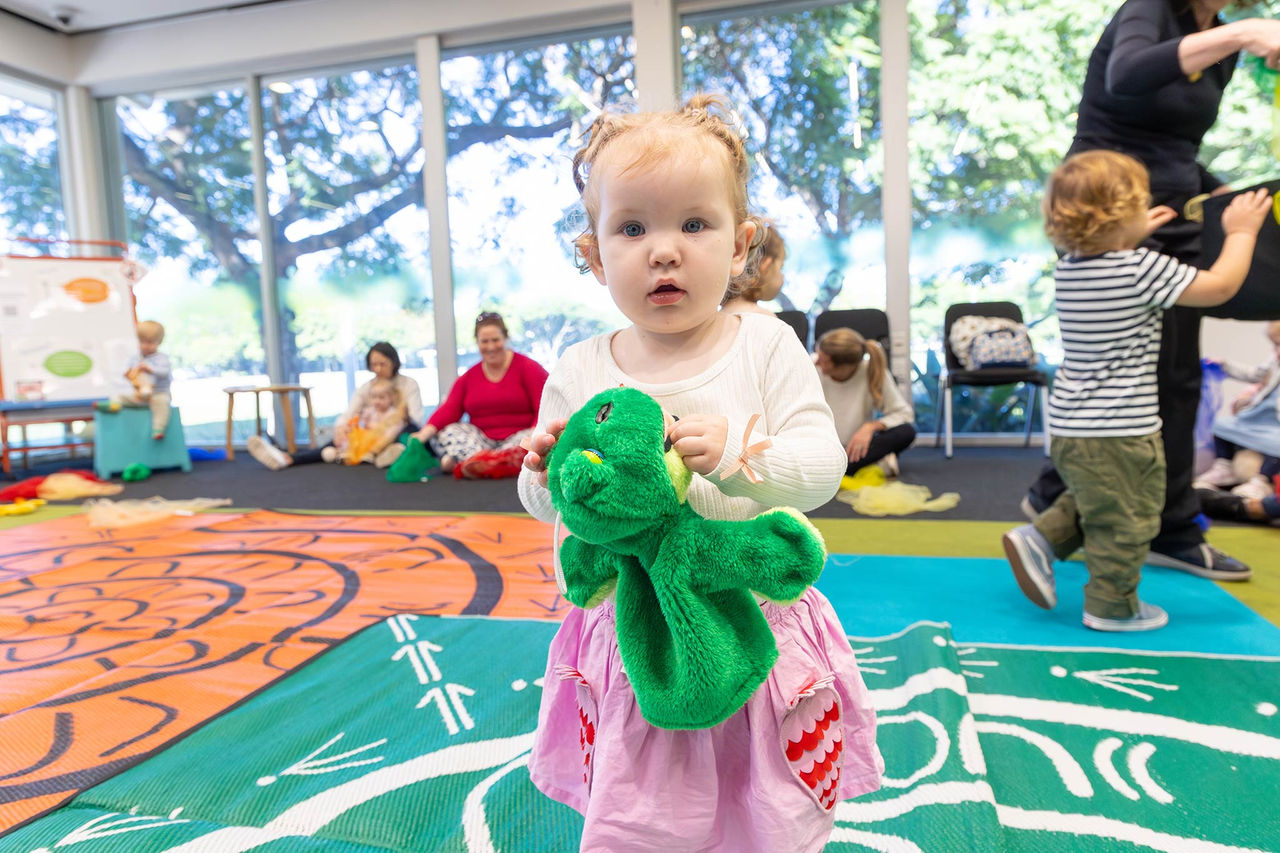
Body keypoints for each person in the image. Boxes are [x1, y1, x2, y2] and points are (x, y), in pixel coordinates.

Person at [517, 95, 882, 851]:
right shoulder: (583, 368)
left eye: (694, 223)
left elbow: (820, 471)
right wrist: (541, 469)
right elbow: (549, 506)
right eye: (632, 228)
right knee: (641, 817)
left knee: (769, 813)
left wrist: (743, 455)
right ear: (593, 255)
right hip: (633, 637)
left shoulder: (767, 344)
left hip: (753, 623)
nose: (663, 250)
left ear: (741, 243)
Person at [1024, 0, 1280, 580]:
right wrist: (1243, 33)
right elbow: (1130, 74)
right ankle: (1125, 534)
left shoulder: (1218, 39)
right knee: (1136, 378)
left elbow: (1176, 147)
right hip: (1112, 219)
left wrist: (1229, 197)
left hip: (1168, 212)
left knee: (1174, 382)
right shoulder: (1150, 9)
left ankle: (1075, 511)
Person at [1004, 151, 1271, 632]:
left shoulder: (1071, 269)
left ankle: (1040, 539)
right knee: (1129, 517)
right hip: (1122, 431)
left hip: (1070, 428)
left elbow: (1109, 258)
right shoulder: (1141, 269)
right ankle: (1111, 605)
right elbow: (1219, 287)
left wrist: (1130, 231)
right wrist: (1243, 231)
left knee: (1097, 498)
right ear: (1122, 218)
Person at [410, 312, 547, 476]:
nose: (490, 347)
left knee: (535, 438)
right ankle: (491, 463)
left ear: (506, 338)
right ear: (477, 342)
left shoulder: (529, 368)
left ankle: (468, 463)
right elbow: (449, 410)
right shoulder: (469, 377)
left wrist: (533, 435)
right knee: (443, 433)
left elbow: (544, 407)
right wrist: (421, 435)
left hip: (518, 439)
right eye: (484, 341)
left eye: (495, 340)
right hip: (480, 443)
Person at [246, 341, 420, 470]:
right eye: (374, 364)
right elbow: (349, 414)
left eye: (383, 364)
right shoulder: (367, 388)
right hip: (371, 433)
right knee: (337, 441)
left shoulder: (408, 384)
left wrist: (396, 420)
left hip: (396, 429)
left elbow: (417, 418)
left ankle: (390, 453)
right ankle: (287, 459)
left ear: (394, 362)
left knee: (409, 433)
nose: (378, 369)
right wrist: (341, 429)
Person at [1195, 320, 1280, 500]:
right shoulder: (1275, 362)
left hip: (1276, 425)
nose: (1276, 351)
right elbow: (1254, 374)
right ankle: (1224, 466)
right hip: (1259, 416)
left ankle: (1262, 480)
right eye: (1274, 345)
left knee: (1276, 444)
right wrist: (1225, 364)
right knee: (1222, 425)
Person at [815, 327, 916, 477]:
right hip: (819, 447)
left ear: (845, 367)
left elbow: (904, 414)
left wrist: (871, 427)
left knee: (906, 432)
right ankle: (867, 464)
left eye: (823, 361)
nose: (817, 362)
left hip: (852, 448)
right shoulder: (811, 367)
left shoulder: (871, 370)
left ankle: (835, 470)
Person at [95, 319, 172, 440]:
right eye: (142, 341)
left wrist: (151, 369)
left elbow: (164, 372)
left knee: (161, 405)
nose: (145, 345)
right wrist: (129, 372)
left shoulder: (161, 358)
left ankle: (158, 428)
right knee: (119, 396)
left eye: (150, 342)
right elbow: (126, 371)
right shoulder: (136, 358)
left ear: (159, 342)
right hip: (140, 396)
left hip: (157, 394)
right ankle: (114, 405)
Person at [319, 377, 408, 467]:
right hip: (363, 440)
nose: (377, 401)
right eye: (374, 397)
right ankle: (344, 453)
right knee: (353, 435)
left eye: (381, 398)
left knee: (387, 441)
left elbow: (391, 432)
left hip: (379, 441)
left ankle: (374, 455)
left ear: (391, 398)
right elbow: (359, 421)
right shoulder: (370, 411)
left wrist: (373, 426)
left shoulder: (393, 414)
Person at [721, 221, 786, 316]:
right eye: (781, 267)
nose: (782, 275)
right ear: (765, 265)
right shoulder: (768, 320)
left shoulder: (717, 317)